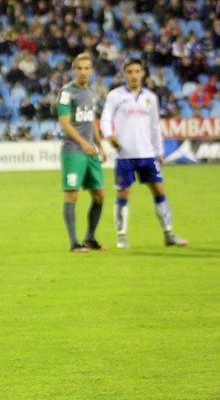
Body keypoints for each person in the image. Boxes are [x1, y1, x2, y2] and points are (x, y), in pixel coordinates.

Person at [100, 59, 188, 248]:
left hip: (147, 154)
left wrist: (160, 151)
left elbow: (155, 126)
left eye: (137, 71)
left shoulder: (151, 97)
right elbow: (105, 119)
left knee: (159, 191)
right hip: (125, 155)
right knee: (123, 193)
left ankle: (169, 233)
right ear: (124, 74)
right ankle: (122, 237)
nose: (133, 75)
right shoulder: (115, 96)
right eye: (130, 71)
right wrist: (109, 135)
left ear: (143, 73)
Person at [57, 52, 107, 253]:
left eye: (87, 68)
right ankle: (74, 243)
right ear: (73, 69)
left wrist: (100, 145)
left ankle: (90, 238)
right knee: (72, 195)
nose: (83, 72)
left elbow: (91, 121)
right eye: (79, 68)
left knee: (100, 194)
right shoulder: (66, 92)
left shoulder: (91, 92)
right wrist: (83, 143)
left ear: (92, 70)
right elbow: (65, 124)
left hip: (89, 151)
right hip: (73, 151)